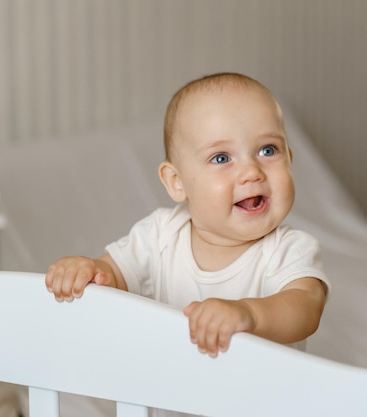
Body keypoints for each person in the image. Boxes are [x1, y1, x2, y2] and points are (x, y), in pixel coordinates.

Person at [45, 72, 329, 358]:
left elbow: (305, 307)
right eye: (221, 158)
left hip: (261, 402)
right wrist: (89, 269)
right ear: (176, 182)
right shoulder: (160, 235)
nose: (252, 172)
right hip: (168, 401)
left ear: (290, 160)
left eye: (268, 150)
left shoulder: (288, 249)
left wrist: (249, 314)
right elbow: (114, 274)